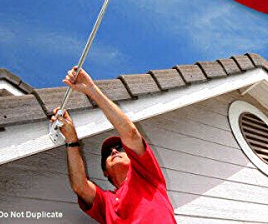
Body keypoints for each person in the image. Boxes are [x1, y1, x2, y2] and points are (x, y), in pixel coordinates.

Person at [51, 66, 176, 223]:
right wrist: (71, 139)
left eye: (119, 148)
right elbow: (80, 187)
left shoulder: (147, 176)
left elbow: (130, 133)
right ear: (105, 172)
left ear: (133, 159)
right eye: (107, 154)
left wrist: (91, 89)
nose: (114, 151)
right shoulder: (106, 202)